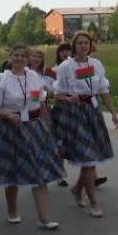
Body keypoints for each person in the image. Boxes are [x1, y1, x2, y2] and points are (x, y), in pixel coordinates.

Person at [0, 44, 64, 228]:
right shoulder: (0, 80)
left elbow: (40, 103)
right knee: (13, 171)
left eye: (23, 56)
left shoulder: (33, 77)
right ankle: (12, 209)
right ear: (10, 57)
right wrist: (8, 115)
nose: (19, 59)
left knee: (39, 171)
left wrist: (48, 127)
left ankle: (45, 217)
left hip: (34, 128)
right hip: (11, 128)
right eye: (16, 55)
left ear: (27, 58)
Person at [52, 31, 118, 218]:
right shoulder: (66, 66)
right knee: (88, 159)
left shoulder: (96, 65)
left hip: (93, 111)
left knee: (89, 159)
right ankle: (94, 203)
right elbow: (57, 94)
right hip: (74, 113)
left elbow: (103, 90)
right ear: (74, 46)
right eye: (80, 43)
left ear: (90, 45)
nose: (83, 46)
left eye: (86, 43)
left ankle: (77, 189)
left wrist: (113, 113)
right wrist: (68, 99)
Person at [48, 42, 72, 188]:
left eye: (68, 51)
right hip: (62, 106)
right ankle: (59, 174)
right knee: (61, 143)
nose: (65, 53)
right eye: (62, 51)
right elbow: (51, 92)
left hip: (78, 106)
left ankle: (92, 175)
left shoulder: (78, 67)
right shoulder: (53, 70)